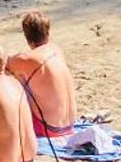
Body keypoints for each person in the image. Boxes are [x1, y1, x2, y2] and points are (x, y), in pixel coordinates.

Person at [6, 10, 76, 140]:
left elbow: (4, 65)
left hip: (49, 128)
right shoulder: (56, 49)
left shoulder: (27, 59)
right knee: (29, 74)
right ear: (47, 32)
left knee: (14, 76)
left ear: (27, 36)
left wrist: (14, 57)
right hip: (69, 125)